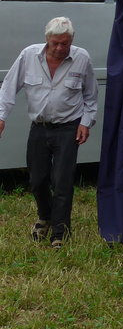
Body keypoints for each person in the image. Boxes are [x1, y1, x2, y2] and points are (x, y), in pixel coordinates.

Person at [0, 17, 98, 247]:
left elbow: (91, 95)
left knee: (62, 181)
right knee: (37, 180)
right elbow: (8, 87)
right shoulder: (28, 56)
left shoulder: (82, 58)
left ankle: (60, 232)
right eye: (55, 43)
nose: (59, 48)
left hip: (68, 128)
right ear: (47, 40)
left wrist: (86, 122)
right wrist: (2, 116)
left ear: (71, 41)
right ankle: (45, 217)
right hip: (40, 127)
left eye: (65, 43)